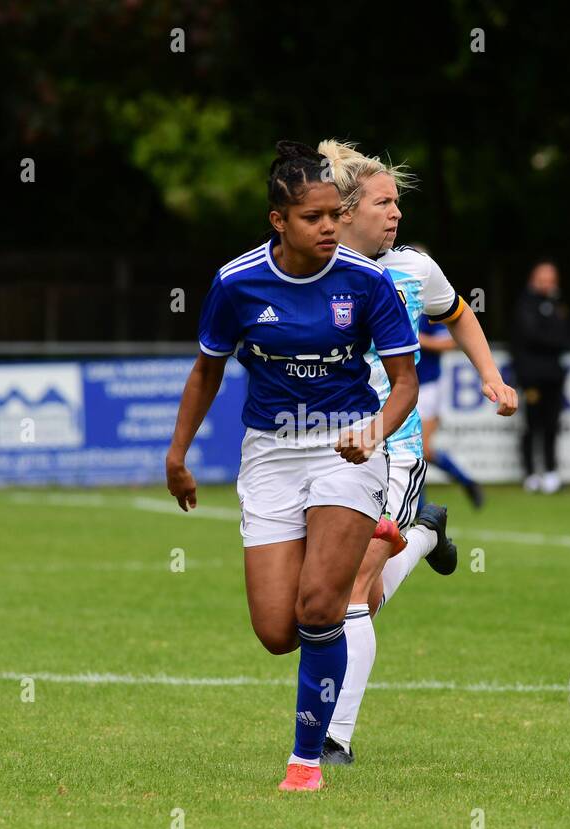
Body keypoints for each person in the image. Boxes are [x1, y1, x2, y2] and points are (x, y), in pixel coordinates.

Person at [165, 141, 419, 792]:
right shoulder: (237, 283)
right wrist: (177, 453)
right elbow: (206, 371)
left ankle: (307, 761)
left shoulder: (367, 281)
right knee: (278, 630)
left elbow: (404, 383)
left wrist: (374, 432)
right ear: (278, 221)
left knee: (320, 606)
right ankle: (385, 544)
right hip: (271, 454)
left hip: (345, 448)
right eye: (313, 217)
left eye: (335, 214)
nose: (330, 227)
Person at [313, 140, 517, 765]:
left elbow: (458, 314)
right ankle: (426, 534)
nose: (396, 213)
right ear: (347, 211)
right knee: (347, 597)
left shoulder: (414, 269)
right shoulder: (312, 269)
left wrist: (491, 377)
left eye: (397, 203)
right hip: (326, 449)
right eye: (383, 203)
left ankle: (335, 739)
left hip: (394, 450)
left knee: (350, 594)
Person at [512, 260, 570, 493]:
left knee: (552, 425)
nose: (547, 284)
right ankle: (530, 473)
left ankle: (550, 471)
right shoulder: (525, 304)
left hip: (553, 376)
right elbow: (532, 336)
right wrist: (556, 337)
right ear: (533, 279)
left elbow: (568, 335)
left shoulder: (557, 304)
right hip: (532, 377)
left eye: (551, 279)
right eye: (543, 279)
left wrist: (556, 336)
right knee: (532, 425)